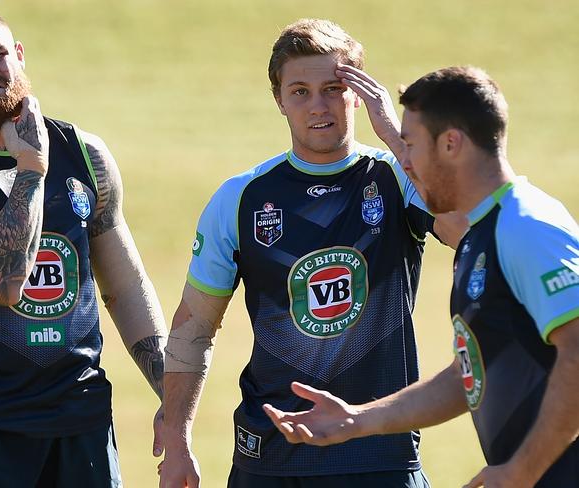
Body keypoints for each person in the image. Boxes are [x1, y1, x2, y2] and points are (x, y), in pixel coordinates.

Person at [159, 19, 466, 488]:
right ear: (279, 99)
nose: (318, 105)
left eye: (333, 87)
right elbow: (194, 327)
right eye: (299, 91)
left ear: (359, 95)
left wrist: (399, 142)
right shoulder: (238, 198)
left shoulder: (399, 176)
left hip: (380, 455)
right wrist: (178, 439)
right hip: (271, 459)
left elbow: (470, 235)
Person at [263, 66, 579, 488]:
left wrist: (523, 469)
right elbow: (470, 374)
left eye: (409, 145)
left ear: (451, 144)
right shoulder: (480, 236)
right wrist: (356, 419)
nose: (404, 161)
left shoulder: (526, 226)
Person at [0, 6, 167, 487]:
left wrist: (173, 398)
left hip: (80, 417)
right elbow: (4, 279)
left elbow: (125, 285)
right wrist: (32, 170)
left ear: (19, 56)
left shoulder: (84, 152)